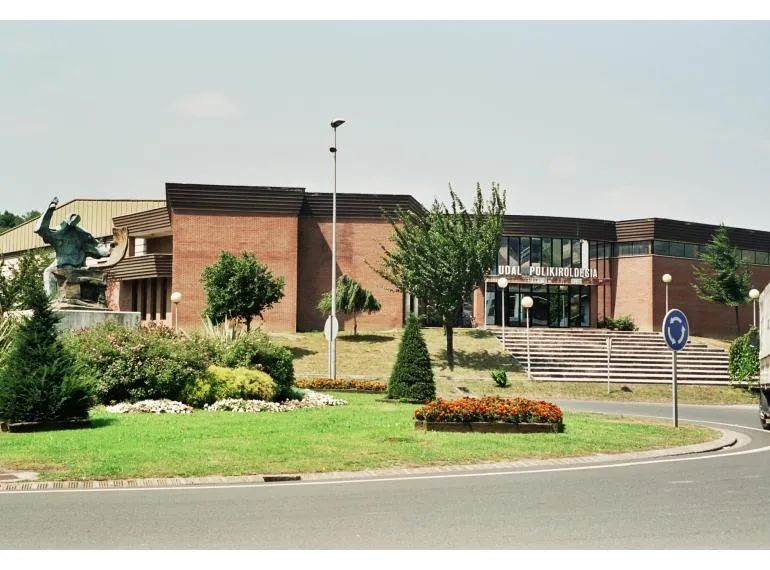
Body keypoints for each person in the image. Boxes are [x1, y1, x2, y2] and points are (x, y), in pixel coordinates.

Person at [34, 197, 112, 297]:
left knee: (48, 273)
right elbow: (41, 229)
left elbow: (98, 248)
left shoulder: (81, 235)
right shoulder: (59, 234)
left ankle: (50, 302)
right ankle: (51, 301)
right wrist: (49, 210)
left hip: (74, 267)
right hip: (62, 265)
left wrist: (110, 250)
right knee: (48, 272)